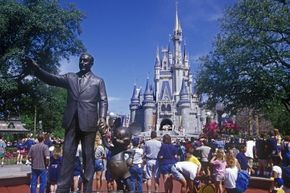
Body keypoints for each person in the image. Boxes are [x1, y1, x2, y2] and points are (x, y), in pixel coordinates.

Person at [24, 53, 108, 193]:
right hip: (72, 122)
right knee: (68, 155)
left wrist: (103, 117)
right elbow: (52, 79)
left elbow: (103, 100)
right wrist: (37, 69)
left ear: (91, 63)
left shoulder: (98, 81)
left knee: (88, 157)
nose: (82, 62)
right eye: (81, 60)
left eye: (85, 61)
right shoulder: (70, 77)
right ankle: (62, 189)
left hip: (89, 122)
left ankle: (87, 189)